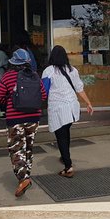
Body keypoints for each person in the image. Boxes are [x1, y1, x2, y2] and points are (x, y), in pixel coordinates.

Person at [0, 49, 47, 197]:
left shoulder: (8, 76)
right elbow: (43, 95)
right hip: (34, 117)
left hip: (15, 118)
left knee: (17, 148)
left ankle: (23, 178)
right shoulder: (35, 76)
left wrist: (9, 102)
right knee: (28, 147)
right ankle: (26, 175)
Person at [42, 45, 94, 178]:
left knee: (61, 137)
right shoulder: (72, 70)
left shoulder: (48, 71)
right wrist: (88, 103)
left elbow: (44, 91)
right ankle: (65, 156)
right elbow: (79, 88)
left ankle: (68, 166)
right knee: (66, 133)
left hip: (58, 109)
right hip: (71, 108)